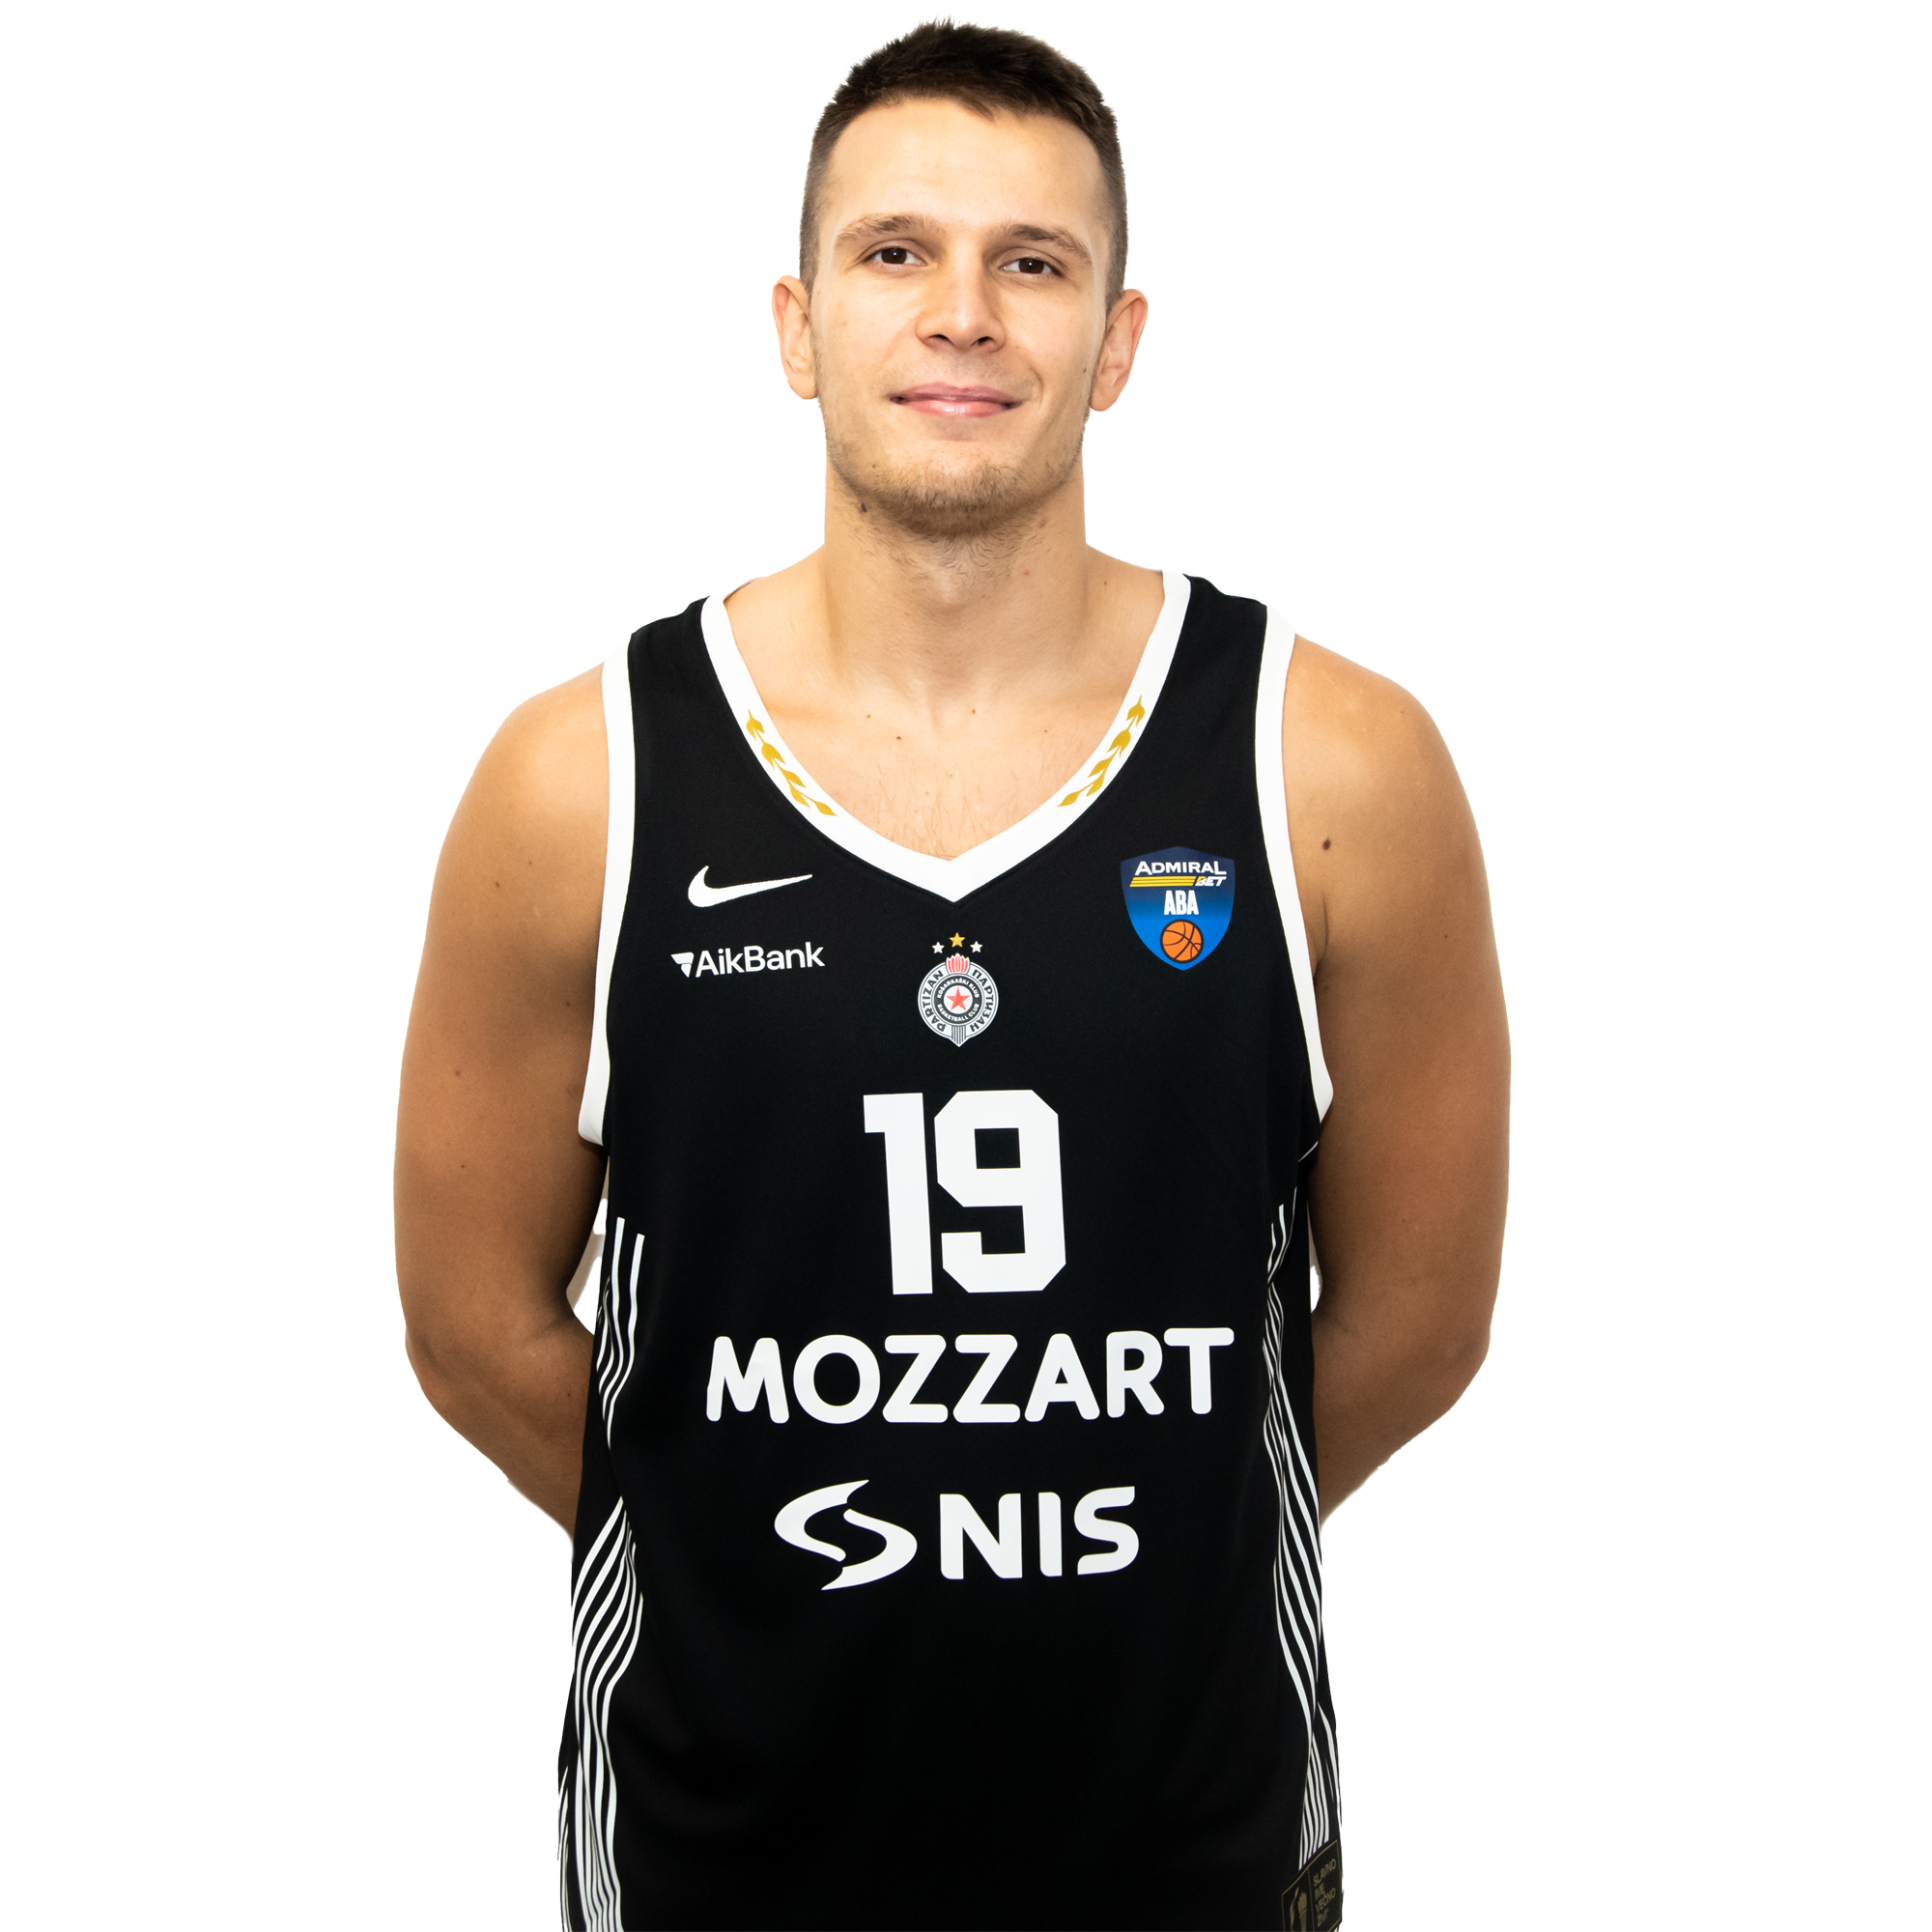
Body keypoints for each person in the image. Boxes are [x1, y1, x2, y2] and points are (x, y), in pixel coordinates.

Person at [395, 16, 1507, 1930]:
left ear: (1116, 344)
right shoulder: (587, 780)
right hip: (715, 1855)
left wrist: (1147, 1541)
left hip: (1193, 1849)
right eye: (895, 250)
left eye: (1033, 261)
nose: (964, 313)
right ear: (799, 325)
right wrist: (729, 1542)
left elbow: (1414, 1321)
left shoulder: (1330, 770)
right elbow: (469, 1318)